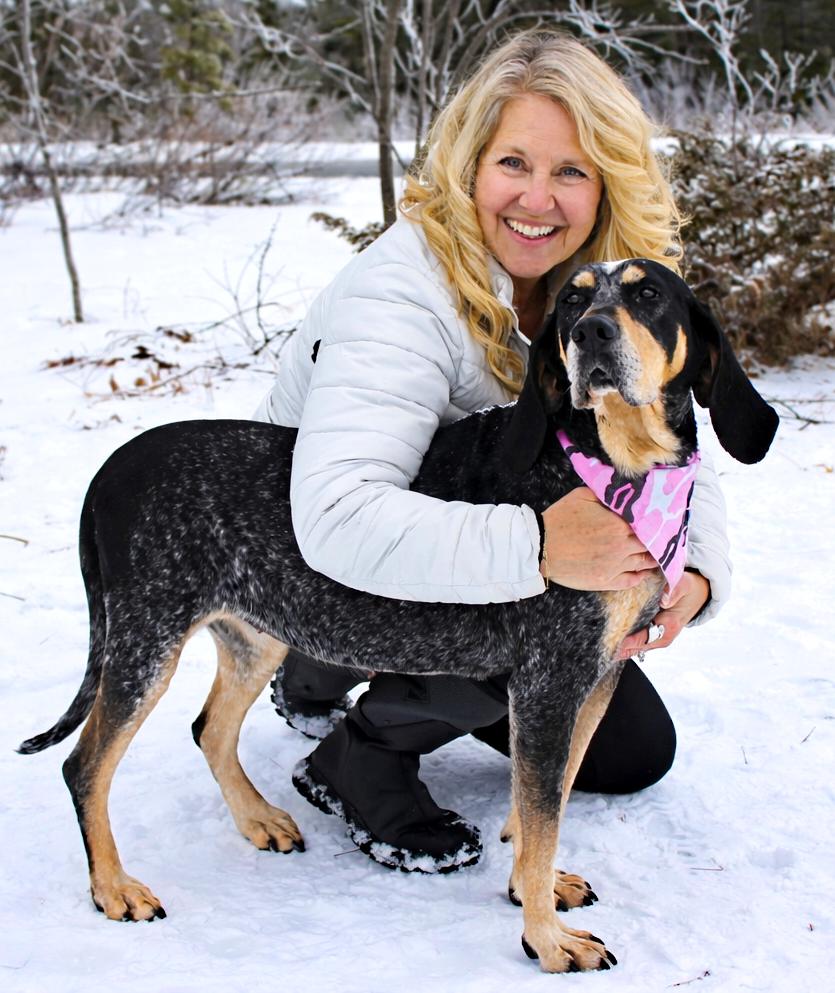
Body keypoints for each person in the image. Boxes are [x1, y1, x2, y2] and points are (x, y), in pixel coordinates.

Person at [254, 30, 730, 872]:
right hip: (312, 561)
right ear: (469, 165)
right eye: (513, 163)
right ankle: (348, 725)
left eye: (570, 170)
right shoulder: (399, 296)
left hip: (476, 527)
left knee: (629, 751)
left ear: (606, 181)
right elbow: (335, 514)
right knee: (519, 618)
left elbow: (663, 432)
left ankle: (345, 675)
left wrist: (692, 568)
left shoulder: (601, 283)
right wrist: (541, 546)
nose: (537, 199)